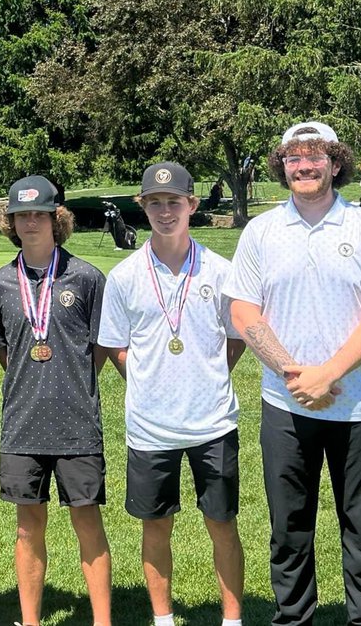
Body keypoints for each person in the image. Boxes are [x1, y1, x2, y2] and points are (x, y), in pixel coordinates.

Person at [225, 121, 361, 626]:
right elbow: (243, 311)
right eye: (293, 158)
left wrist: (327, 374)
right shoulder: (261, 232)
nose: (303, 166)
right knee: (289, 529)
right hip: (285, 405)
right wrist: (294, 374)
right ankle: (294, 619)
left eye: (314, 157)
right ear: (282, 165)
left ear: (335, 163)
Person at [98, 162, 246, 626]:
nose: (165, 212)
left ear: (192, 206)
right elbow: (116, 346)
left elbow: (237, 335)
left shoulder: (222, 271)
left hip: (213, 421)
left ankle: (233, 618)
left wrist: (209, 375)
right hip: (150, 426)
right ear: (142, 207)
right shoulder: (123, 277)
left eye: (174, 202)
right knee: (156, 524)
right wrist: (147, 381)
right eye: (155, 203)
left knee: (221, 523)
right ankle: (162, 618)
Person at [0, 176, 112, 626]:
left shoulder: (87, 277)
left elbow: (97, 348)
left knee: (88, 524)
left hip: (77, 423)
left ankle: (102, 620)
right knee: (27, 527)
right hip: (22, 424)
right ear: (12, 223)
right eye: (23, 215)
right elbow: (4, 351)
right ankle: (31, 619)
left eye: (40, 213)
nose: (31, 222)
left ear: (57, 219)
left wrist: (72, 381)